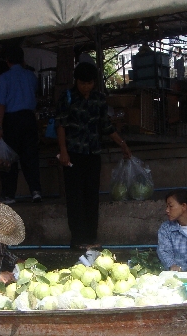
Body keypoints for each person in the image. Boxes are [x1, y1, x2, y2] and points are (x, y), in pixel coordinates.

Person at [56, 61, 132, 249]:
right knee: (75, 198)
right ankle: (77, 240)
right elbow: (61, 125)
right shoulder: (67, 98)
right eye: (82, 83)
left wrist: (122, 144)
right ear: (76, 81)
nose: (86, 87)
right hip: (73, 154)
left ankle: (91, 238)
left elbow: (106, 125)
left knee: (91, 196)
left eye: (89, 83)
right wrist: (63, 152)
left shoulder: (99, 98)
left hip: (93, 154)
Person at [0, 46, 42, 204]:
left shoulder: (4, 78)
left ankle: (9, 194)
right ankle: (35, 190)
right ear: (23, 60)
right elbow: (35, 93)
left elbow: (1, 105)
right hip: (28, 118)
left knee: (10, 159)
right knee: (30, 156)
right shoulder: (31, 76)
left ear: (7, 61)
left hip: (11, 120)